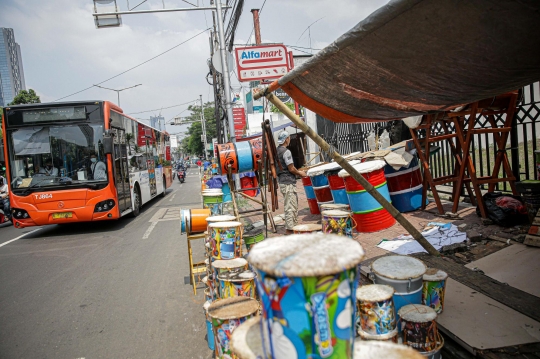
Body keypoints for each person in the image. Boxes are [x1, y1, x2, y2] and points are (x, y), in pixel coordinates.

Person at [276, 130, 307, 234]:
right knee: (290, 206)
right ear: (286, 139)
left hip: (282, 181)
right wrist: (300, 173)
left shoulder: (277, 151)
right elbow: (291, 168)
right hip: (288, 181)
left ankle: (292, 226)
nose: (289, 140)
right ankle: (290, 229)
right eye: (289, 138)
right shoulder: (286, 151)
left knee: (290, 204)